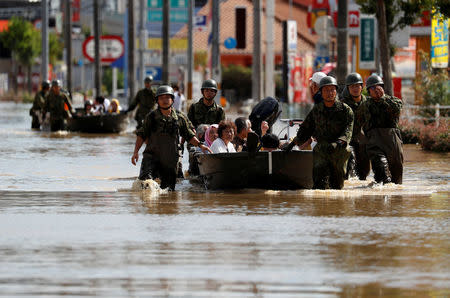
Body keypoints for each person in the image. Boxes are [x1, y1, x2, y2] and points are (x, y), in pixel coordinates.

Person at [131, 85, 212, 190]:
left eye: (167, 97)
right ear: (157, 101)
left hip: (170, 161)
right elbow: (141, 135)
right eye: (161, 98)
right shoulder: (151, 117)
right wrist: (135, 152)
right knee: (146, 184)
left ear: (172, 100)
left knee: (168, 191)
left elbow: (189, 135)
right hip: (151, 158)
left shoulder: (180, 117)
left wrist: (201, 145)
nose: (165, 100)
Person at [284, 76, 353, 189]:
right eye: (326, 90)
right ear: (321, 92)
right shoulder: (316, 110)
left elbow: (348, 131)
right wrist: (292, 143)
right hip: (321, 150)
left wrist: (339, 143)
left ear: (336, 91)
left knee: (337, 186)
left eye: (332, 90)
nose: (330, 93)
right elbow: (305, 129)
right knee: (319, 184)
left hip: (339, 150)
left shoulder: (346, 110)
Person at [356, 74, 403, 184]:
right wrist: (364, 141)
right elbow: (357, 124)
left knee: (396, 175)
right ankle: (381, 197)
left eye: (378, 87)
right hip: (374, 143)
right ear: (368, 91)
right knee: (381, 169)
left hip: (392, 141)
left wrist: (382, 99)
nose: (376, 90)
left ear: (383, 88)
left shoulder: (394, 101)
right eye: (372, 88)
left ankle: (395, 198)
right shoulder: (365, 105)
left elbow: (396, 110)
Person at [340, 72, 370, 180]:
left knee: (364, 172)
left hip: (362, 140)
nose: (355, 88)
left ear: (362, 87)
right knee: (348, 166)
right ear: (348, 88)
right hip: (346, 139)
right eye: (352, 86)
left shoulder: (368, 103)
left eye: (357, 86)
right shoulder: (342, 104)